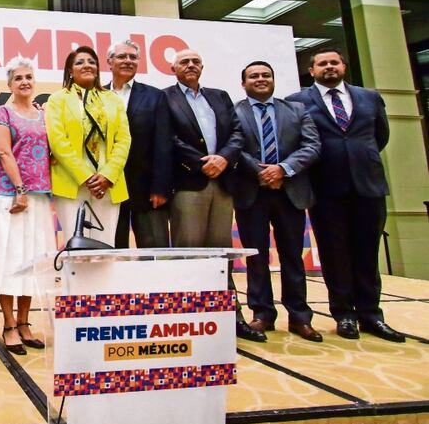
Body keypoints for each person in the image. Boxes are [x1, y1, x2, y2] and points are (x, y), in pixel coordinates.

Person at [287, 48, 403, 342]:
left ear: (343, 66)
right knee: (334, 253)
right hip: (326, 189)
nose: (329, 67)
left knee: (367, 252)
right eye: (321, 64)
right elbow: (299, 142)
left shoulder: (369, 97)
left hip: (368, 186)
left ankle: (371, 314)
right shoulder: (298, 102)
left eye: (333, 62)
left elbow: (380, 136)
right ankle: (344, 314)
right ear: (311, 71)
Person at [163, 49, 261, 342]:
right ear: (173, 68)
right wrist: (201, 161)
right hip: (188, 183)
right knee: (189, 255)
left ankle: (231, 318)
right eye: (184, 62)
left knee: (221, 255)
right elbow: (169, 138)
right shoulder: (164, 98)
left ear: (202, 67)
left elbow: (237, 133)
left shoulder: (219, 96)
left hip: (223, 184)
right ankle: (190, 320)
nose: (190, 65)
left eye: (195, 61)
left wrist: (223, 158)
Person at [232, 61, 322, 342]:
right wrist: (260, 171)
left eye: (266, 75)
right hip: (252, 192)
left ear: (273, 79)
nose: (261, 79)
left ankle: (299, 317)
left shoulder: (296, 110)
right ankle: (262, 314)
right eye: (254, 76)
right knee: (256, 258)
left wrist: (282, 169)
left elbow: (312, 146)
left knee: (292, 257)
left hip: (290, 191)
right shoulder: (233, 112)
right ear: (243, 82)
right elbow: (232, 145)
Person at [0, 57, 56, 355]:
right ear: (10, 84)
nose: (25, 82)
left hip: (38, 198)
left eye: (29, 77)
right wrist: (20, 189)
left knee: (32, 262)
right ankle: (9, 324)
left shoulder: (42, 114)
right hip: (11, 196)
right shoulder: (3, 112)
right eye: (18, 78)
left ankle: (25, 323)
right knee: (9, 261)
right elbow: (3, 151)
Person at [47, 46, 130, 252]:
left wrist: (107, 176)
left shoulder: (113, 100)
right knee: (75, 247)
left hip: (108, 184)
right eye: (80, 62)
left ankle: (103, 286)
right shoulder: (58, 99)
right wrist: (85, 177)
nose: (87, 65)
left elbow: (124, 140)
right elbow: (58, 141)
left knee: (105, 247)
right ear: (70, 70)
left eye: (92, 62)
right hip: (71, 183)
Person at [105, 40, 172, 248]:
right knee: (114, 251)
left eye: (133, 57)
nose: (128, 61)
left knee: (154, 251)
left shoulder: (155, 96)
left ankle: (155, 283)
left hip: (147, 189)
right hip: (109, 187)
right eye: (122, 56)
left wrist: (160, 187)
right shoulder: (97, 95)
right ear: (109, 62)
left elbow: (164, 144)